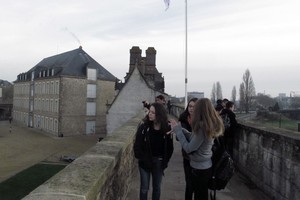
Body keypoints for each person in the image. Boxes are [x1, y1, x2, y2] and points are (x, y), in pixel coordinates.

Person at [169, 98, 224, 200]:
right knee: (201, 194)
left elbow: (189, 148)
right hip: (205, 166)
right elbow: (194, 138)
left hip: (200, 170)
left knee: (200, 196)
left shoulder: (202, 127)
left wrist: (178, 131)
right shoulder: (207, 124)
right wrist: (181, 130)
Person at [134, 102, 174, 200]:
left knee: (157, 188)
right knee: (144, 188)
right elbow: (137, 145)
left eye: (153, 112)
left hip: (159, 163)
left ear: (159, 114)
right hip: (145, 162)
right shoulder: (144, 127)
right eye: (149, 111)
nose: (149, 114)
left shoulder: (166, 128)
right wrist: (142, 158)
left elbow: (170, 148)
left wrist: (165, 161)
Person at [178, 98, 198, 200]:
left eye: (194, 107)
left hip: (199, 157)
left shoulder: (201, 120)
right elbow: (178, 137)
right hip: (187, 156)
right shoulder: (183, 118)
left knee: (198, 186)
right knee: (189, 184)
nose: (191, 108)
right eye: (190, 106)